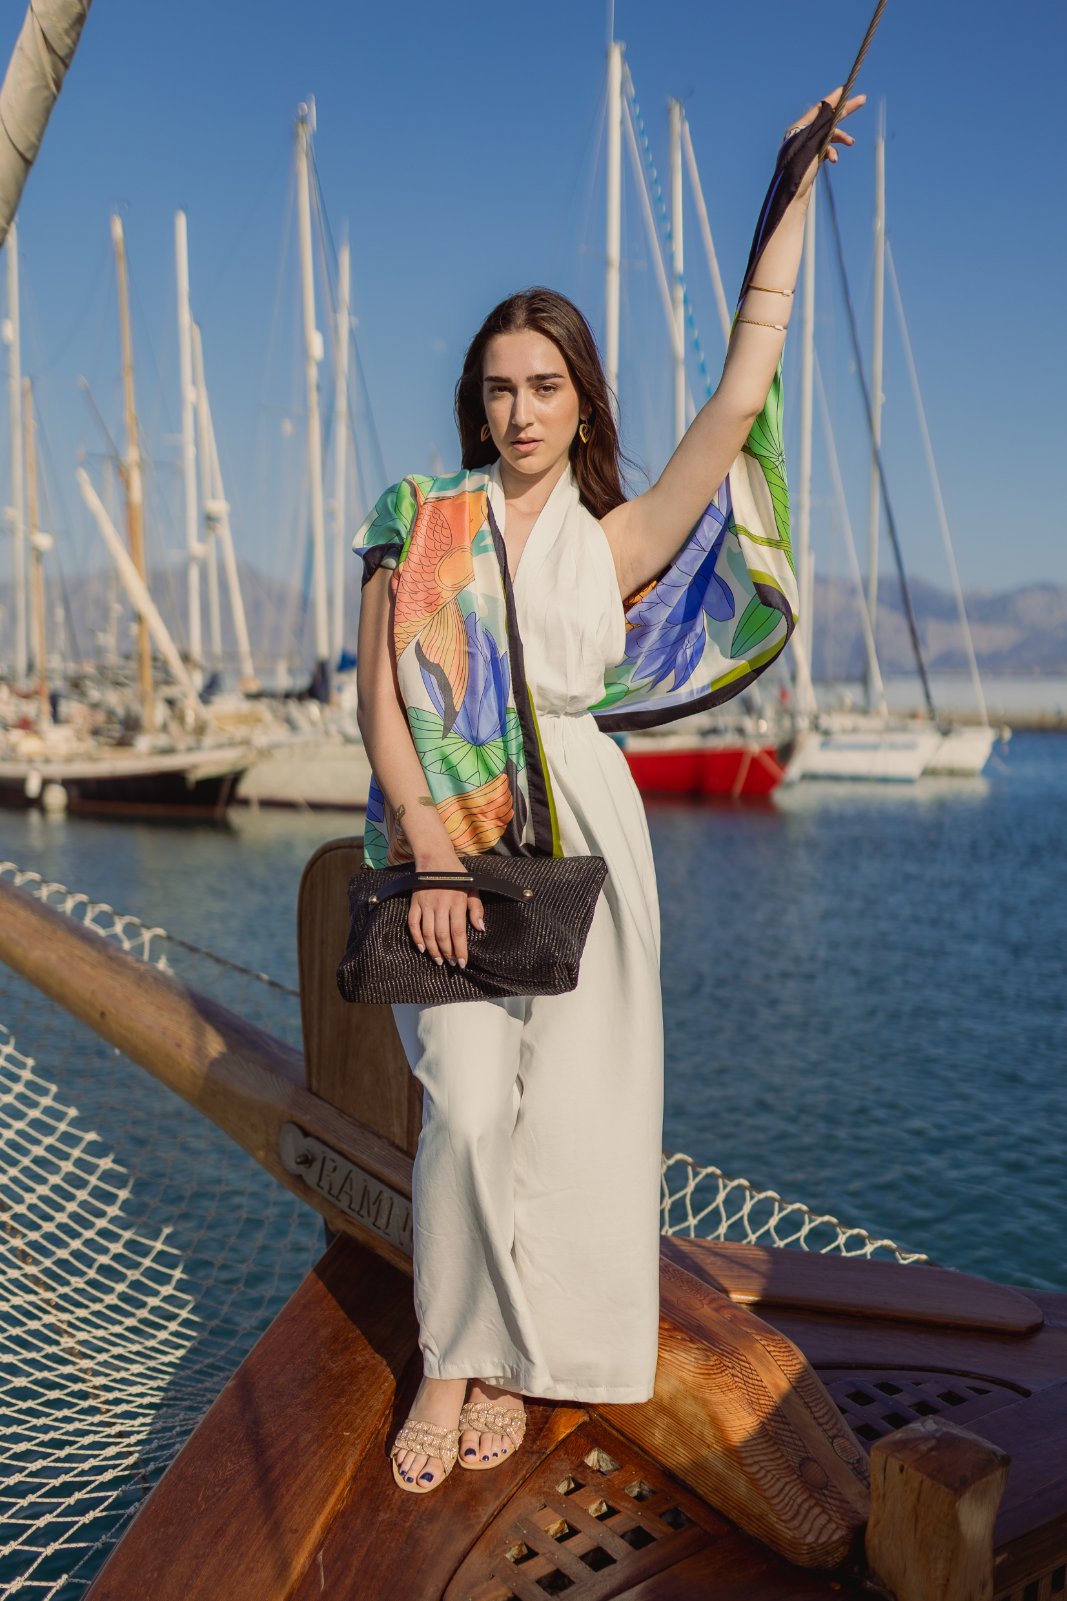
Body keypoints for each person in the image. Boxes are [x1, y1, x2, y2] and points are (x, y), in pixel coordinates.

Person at [354, 86, 865, 1495]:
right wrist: (429, 850)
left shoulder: (616, 538)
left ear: (580, 400)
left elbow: (742, 392)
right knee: (468, 1102)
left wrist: (785, 201)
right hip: (448, 838)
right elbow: (380, 698)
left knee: (577, 1116)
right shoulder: (419, 518)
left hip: (588, 832)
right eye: (500, 387)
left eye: (546, 385)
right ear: (478, 402)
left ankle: (530, 1357)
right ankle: (452, 1355)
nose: (521, 410)